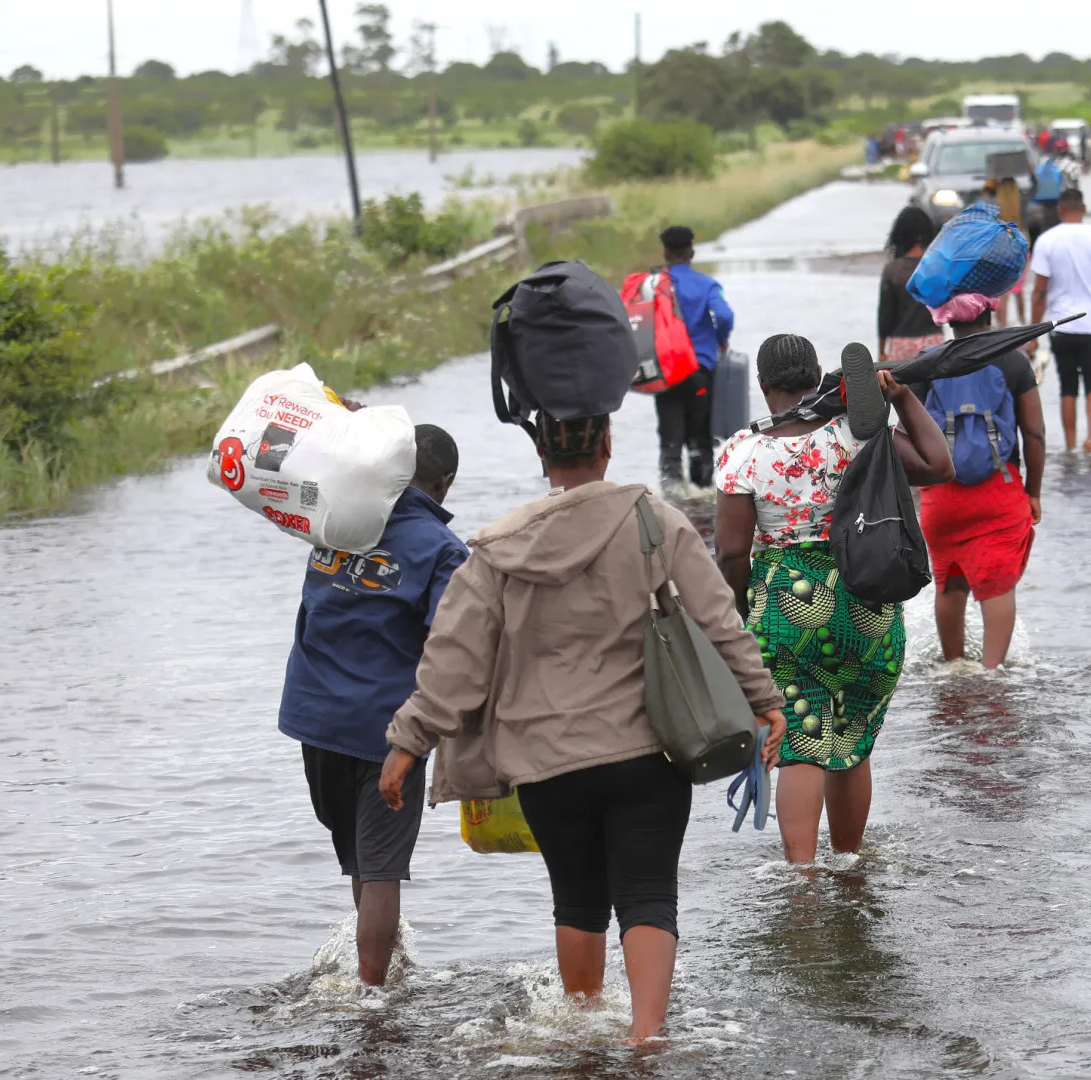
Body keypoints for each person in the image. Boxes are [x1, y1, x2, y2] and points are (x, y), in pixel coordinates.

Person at [380, 410, 786, 1043]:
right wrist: (764, 699)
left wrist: (408, 743)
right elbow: (719, 620)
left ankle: (582, 1034)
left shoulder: (497, 549)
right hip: (650, 751)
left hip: (545, 761)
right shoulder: (654, 520)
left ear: (542, 453)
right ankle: (645, 1039)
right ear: (607, 443)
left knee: (576, 898)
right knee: (649, 894)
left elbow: (453, 658)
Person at [714, 335, 954, 865]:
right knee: (851, 737)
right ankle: (848, 866)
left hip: (784, 605)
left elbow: (731, 552)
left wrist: (742, 614)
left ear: (762, 385)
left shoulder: (743, 451)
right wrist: (901, 396)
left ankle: (800, 879)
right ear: (818, 373)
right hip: (866, 598)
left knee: (800, 742)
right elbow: (939, 465)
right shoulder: (856, 433)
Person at [279, 422, 467, 987]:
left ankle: (377, 970)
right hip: (387, 734)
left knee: (361, 861)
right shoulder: (442, 550)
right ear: (446, 482)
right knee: (382, 867)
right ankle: (372, 998)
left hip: (315, 719)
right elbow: (451, 648)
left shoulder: (337, 516)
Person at [903, 295, 1047, 668]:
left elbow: (908, 434)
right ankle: (992, 674)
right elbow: (1034, 434)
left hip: (942, 496)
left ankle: (954, 669)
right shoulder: (1014, 362)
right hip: (999, 492)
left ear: (948, 320)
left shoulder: (926, 364)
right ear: (990, 314)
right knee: (996, 586)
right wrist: (1033, 492)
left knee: (950, 584)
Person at [1028, 188, 1091, 453]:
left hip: (1061, 326)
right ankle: (1090, 438)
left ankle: (1070, 447)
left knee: (1067, 387)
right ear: (1083, 209)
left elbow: (1039, 292)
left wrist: (1032, 336)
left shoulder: (1047, 241)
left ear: (1059, 211)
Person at [656, 224, 735, 490]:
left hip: (666, 374)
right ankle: (703, 496)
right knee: (700, 435)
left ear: (666, 254)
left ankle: (671, 495)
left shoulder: (655, 286)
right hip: (698, 372)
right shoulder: (707, 285)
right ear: (691, 253)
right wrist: (721, 339)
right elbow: (724, 315)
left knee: (669, 440)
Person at [879, 207, 943, 363]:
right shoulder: (936, 267)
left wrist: (881, 351)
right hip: (933, 342)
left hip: (901, 345)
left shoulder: (892, 270)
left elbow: (885, 316)